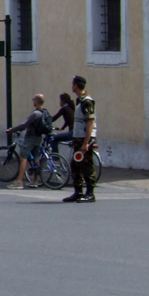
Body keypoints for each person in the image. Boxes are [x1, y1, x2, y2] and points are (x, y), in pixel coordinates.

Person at [64, 75, 97, 203]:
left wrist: (86, 143)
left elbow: (90, 122)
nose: (71, 86)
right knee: (75, 165)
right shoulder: (80, 101)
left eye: (72, 84)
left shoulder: (86, 101)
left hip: (85, 140)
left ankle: (90, 193)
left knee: (87, 166)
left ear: (76, 85)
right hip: (79, 139)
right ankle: (78, 192)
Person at [6, 94, 47, 189]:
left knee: (23, 158)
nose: (33, 101)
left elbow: (24, 124)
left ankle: (19, 182)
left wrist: (12, 130)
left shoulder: (35, 113)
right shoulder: (45, 112)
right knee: (35, 158)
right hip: (38, 137)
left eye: (33, 100)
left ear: (36, 101)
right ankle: (35, 181)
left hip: (30, 138)